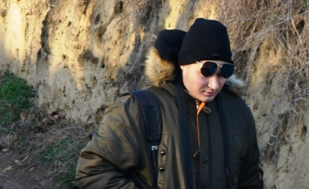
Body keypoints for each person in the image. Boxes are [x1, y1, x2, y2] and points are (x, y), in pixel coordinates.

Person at [74, 18, 262, 189]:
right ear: (184, 64)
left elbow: (250, 179)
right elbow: (92, 172)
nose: (214, 84)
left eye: (224, 72)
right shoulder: (137, 109)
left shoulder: (238, 112)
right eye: (207, 70)